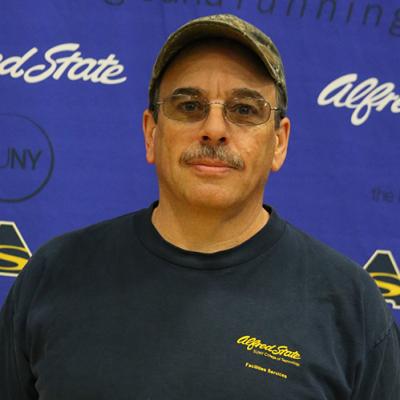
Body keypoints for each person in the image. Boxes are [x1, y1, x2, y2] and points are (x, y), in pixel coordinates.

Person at [0, 14, 399, 400]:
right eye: (189, 106)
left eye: (244, 110)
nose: (214, 129)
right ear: (151, 133)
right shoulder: (53, 276)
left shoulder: (351, 306)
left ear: (279, 142)